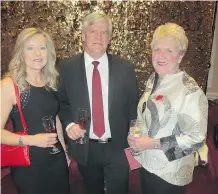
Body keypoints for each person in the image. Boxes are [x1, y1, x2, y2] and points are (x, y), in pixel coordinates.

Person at [58, 12, 138, 194]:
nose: (98, 37)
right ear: (83, 36)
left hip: (117, 147)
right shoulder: (67, 68)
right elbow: (62, 103)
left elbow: (132, 107)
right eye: (93, 31)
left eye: (103, 33)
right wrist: (69, 123)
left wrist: (135, 137)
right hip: (86, 147)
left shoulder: (125, 68)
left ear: (109, 39)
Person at [128, 23, 208, 194]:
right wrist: (136, 136)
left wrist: (152, 143)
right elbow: (147, 116)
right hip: (147, 163)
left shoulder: (190, 91)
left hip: (170, 173)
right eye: (157, 49)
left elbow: (196, 138)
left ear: (180, 56)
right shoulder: (154, 79)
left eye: (169, 51)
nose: (160, 55)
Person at [1, 28, 70, 194]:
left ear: (49, 52)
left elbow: (56, 120)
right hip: (29, 165)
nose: (37, 53)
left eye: (42, 47)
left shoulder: (51, 82)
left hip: (56, 160)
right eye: (30, 48)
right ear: (21, 53)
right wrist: (32, 140)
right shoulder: (10, 85)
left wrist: (65, 152)